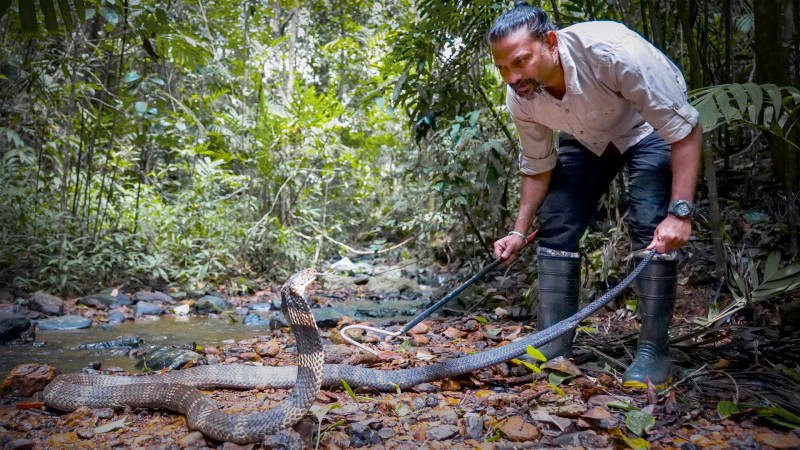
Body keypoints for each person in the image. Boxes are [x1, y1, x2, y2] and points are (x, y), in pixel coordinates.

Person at [488, 2, 703, 388]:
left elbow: (684, 130)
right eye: (502, 68)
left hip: (647, 128)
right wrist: (518, 232)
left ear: (550, 43)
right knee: (557, 223)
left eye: (520, 62)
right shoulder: (521, 96)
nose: (512, 77)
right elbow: (537, 165)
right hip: (590, 136)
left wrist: (681, 213)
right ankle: (551, 345)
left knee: (649, 220)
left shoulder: (613, 54)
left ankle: (654, 350)